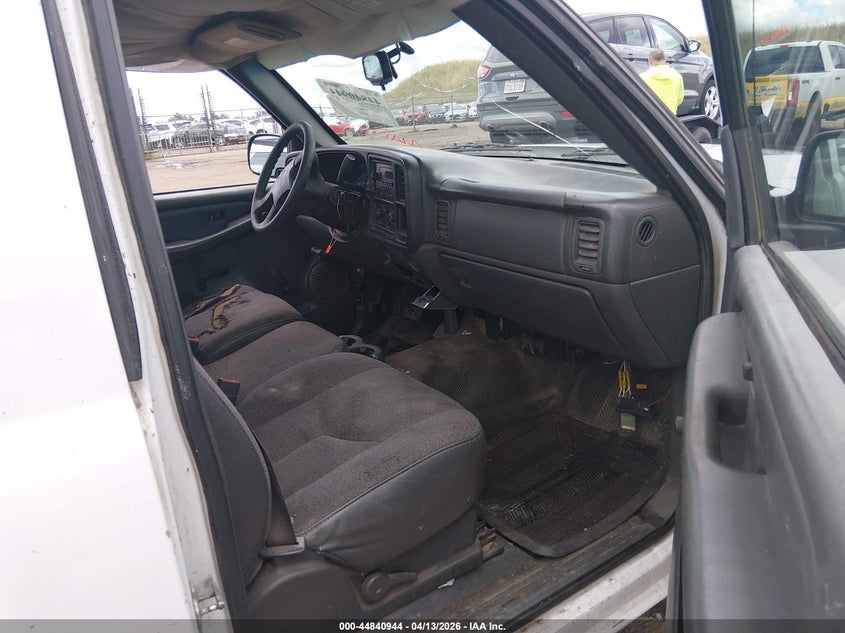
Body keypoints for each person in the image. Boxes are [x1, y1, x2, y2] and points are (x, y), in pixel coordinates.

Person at [640, 48, 684, 114]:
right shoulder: (677, 76)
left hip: (650, 116)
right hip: (670, 117)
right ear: (664, 60)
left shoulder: (643, 77)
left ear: (650, 60)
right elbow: (680, 100)